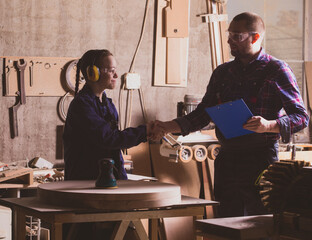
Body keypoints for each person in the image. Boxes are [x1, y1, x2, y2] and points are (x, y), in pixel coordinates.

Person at [150, 12, 309, 217]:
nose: (229, 40)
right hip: (227, 157)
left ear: (255, 38)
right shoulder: (222, 73)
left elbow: (301, 117)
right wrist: (167, 126)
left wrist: (269, 125)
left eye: (237, 36)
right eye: (229, 34)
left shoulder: (276, 70)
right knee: (225, 220)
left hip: (260, 157)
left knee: (259, 221)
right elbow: (202, 115)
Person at [63, 49, 149, 181]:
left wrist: (121, 179)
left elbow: (114, 149)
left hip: (108, 179)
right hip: (85, 183)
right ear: (93, 73)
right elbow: (108, 139)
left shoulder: (108, 104)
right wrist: (146, 131)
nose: (116, 75)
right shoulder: (81, 106)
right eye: (111, 70)